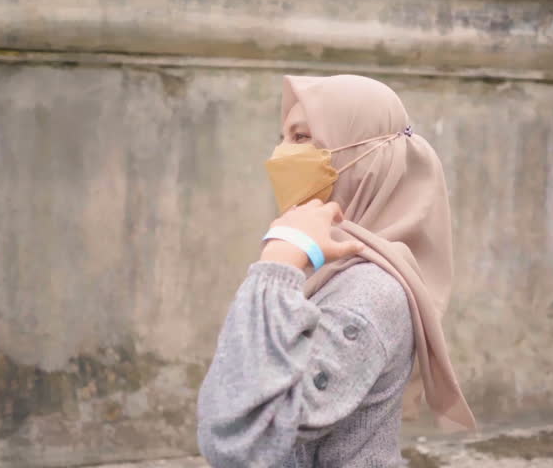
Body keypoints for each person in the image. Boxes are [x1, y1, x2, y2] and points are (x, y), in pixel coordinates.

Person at [196, 74, 476, 468]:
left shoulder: (370, 292)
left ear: (365, 160)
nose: (280, 154)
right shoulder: (329, 268)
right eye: (282, 138)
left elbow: (244, 441)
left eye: (301, 137)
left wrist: (276, 266)